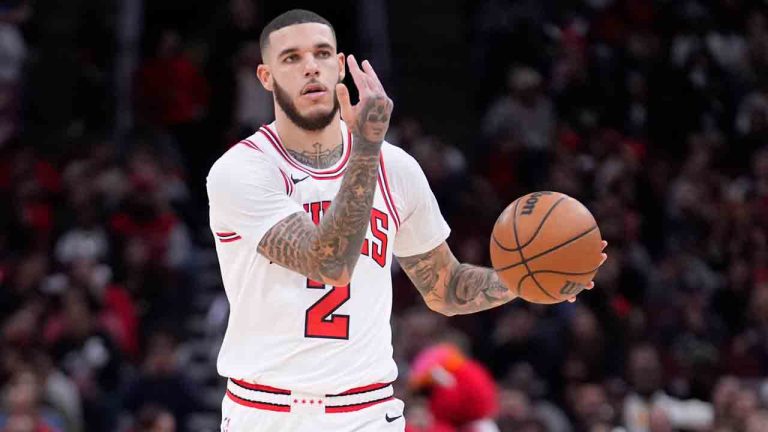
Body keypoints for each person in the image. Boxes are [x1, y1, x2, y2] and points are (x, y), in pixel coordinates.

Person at [206, 9, 607, 432]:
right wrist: (366, 148)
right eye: (291, 58)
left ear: (340, 66)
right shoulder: (243, 170)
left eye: (322, 53)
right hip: (267, 412)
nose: (310, 67)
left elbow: (445, 288)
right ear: (266, 77)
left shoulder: (396, 168)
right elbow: (330, 263)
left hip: (367, 412)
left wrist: (527, 277)